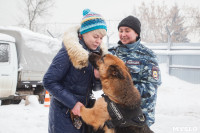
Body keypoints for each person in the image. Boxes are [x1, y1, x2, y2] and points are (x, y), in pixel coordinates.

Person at [43, 9, 107, 133]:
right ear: (83, 33)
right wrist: (73, 103)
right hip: (64, 116)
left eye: (101, 38)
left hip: (84, 115)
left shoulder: (96, 54)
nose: (98, 41)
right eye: (95, 36)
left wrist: (97, 78)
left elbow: (95, 89)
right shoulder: (69, 52)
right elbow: (49, 81)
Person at [109, 15, 161, 127]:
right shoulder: (112, 54)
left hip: (139, 115)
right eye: (121, 31)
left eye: (127, 31)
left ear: (136, 33)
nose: (123, 34)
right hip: (116, 115)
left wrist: (122, 92)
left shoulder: (147, 56)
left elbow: (150, 88)